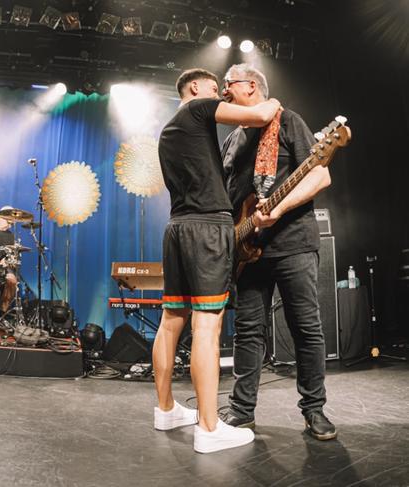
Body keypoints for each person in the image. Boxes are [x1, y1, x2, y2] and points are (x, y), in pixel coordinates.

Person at [153, 68, 281, 453]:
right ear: (195, 87)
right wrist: (274, 101)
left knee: (171, 320)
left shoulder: (167, 131)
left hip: (177, 227)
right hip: (207, 228)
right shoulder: (199, 109)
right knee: (207, 326)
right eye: (215, 87)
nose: (221, 92)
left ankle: (165, 409)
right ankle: (209, 428)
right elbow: (260, 114)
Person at [219, 63, 336, 440]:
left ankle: (314, 410)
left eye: (228, 84)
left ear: (251, 87)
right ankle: (242, 410)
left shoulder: (287, 122)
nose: (223, 90)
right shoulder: (232, 139)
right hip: (247, 250)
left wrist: (279, 209)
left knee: (306, 328)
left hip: (293, 244)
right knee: (248, 332)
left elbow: (320, 174)